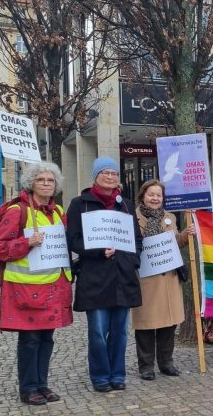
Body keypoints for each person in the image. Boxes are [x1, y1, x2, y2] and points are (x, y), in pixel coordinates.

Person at [0, 162, 71, 405]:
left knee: (47, 339)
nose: (46, 184)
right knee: (30, 340)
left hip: (53, 286)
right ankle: (28, 388)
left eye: (50, 180)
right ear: (31, 183)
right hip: (25, 289)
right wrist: (27, 243)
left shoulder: (57, 212)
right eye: (41, 180)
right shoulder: (17, 212)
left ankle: (42, 385)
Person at [67, 156, 143, 393]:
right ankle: (100, 376)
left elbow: (136, 239)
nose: (110, 177)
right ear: (95, 176)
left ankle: (118, 374)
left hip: (123, 276)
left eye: (114, 173)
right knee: (99, 332)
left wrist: (133, 259)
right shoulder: (80, 203)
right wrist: (99, 252)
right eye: (105, 173)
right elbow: (73, 240)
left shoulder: (127, 204)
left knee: (120, 332)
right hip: (95, 277)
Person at [131, 180, 192, 380]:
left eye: (159, 195)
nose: (155, 198)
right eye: (151, 194)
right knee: (146, 324)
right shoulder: (132, 218)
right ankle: (146, 366)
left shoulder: (170, 218)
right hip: (146, 278)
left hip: (169, 278)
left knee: (169, 323)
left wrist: (186, 234)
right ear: (142, 196)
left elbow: (175, 244)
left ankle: (166, 362)